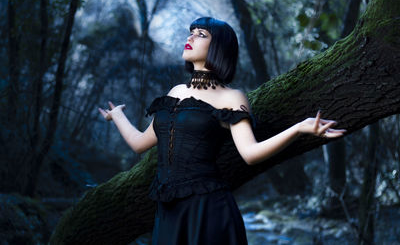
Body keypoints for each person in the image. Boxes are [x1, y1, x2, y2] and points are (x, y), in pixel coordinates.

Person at [98, 17, 346, 245]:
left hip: (207, 211)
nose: (190, 38)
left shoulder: (231, 96)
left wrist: (299, 128)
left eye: (201, 34)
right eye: (191, 33)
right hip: (168, 211)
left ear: (219, 47)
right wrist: (117, 116)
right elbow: (140, 143)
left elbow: (250, 153)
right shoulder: (175, 92)